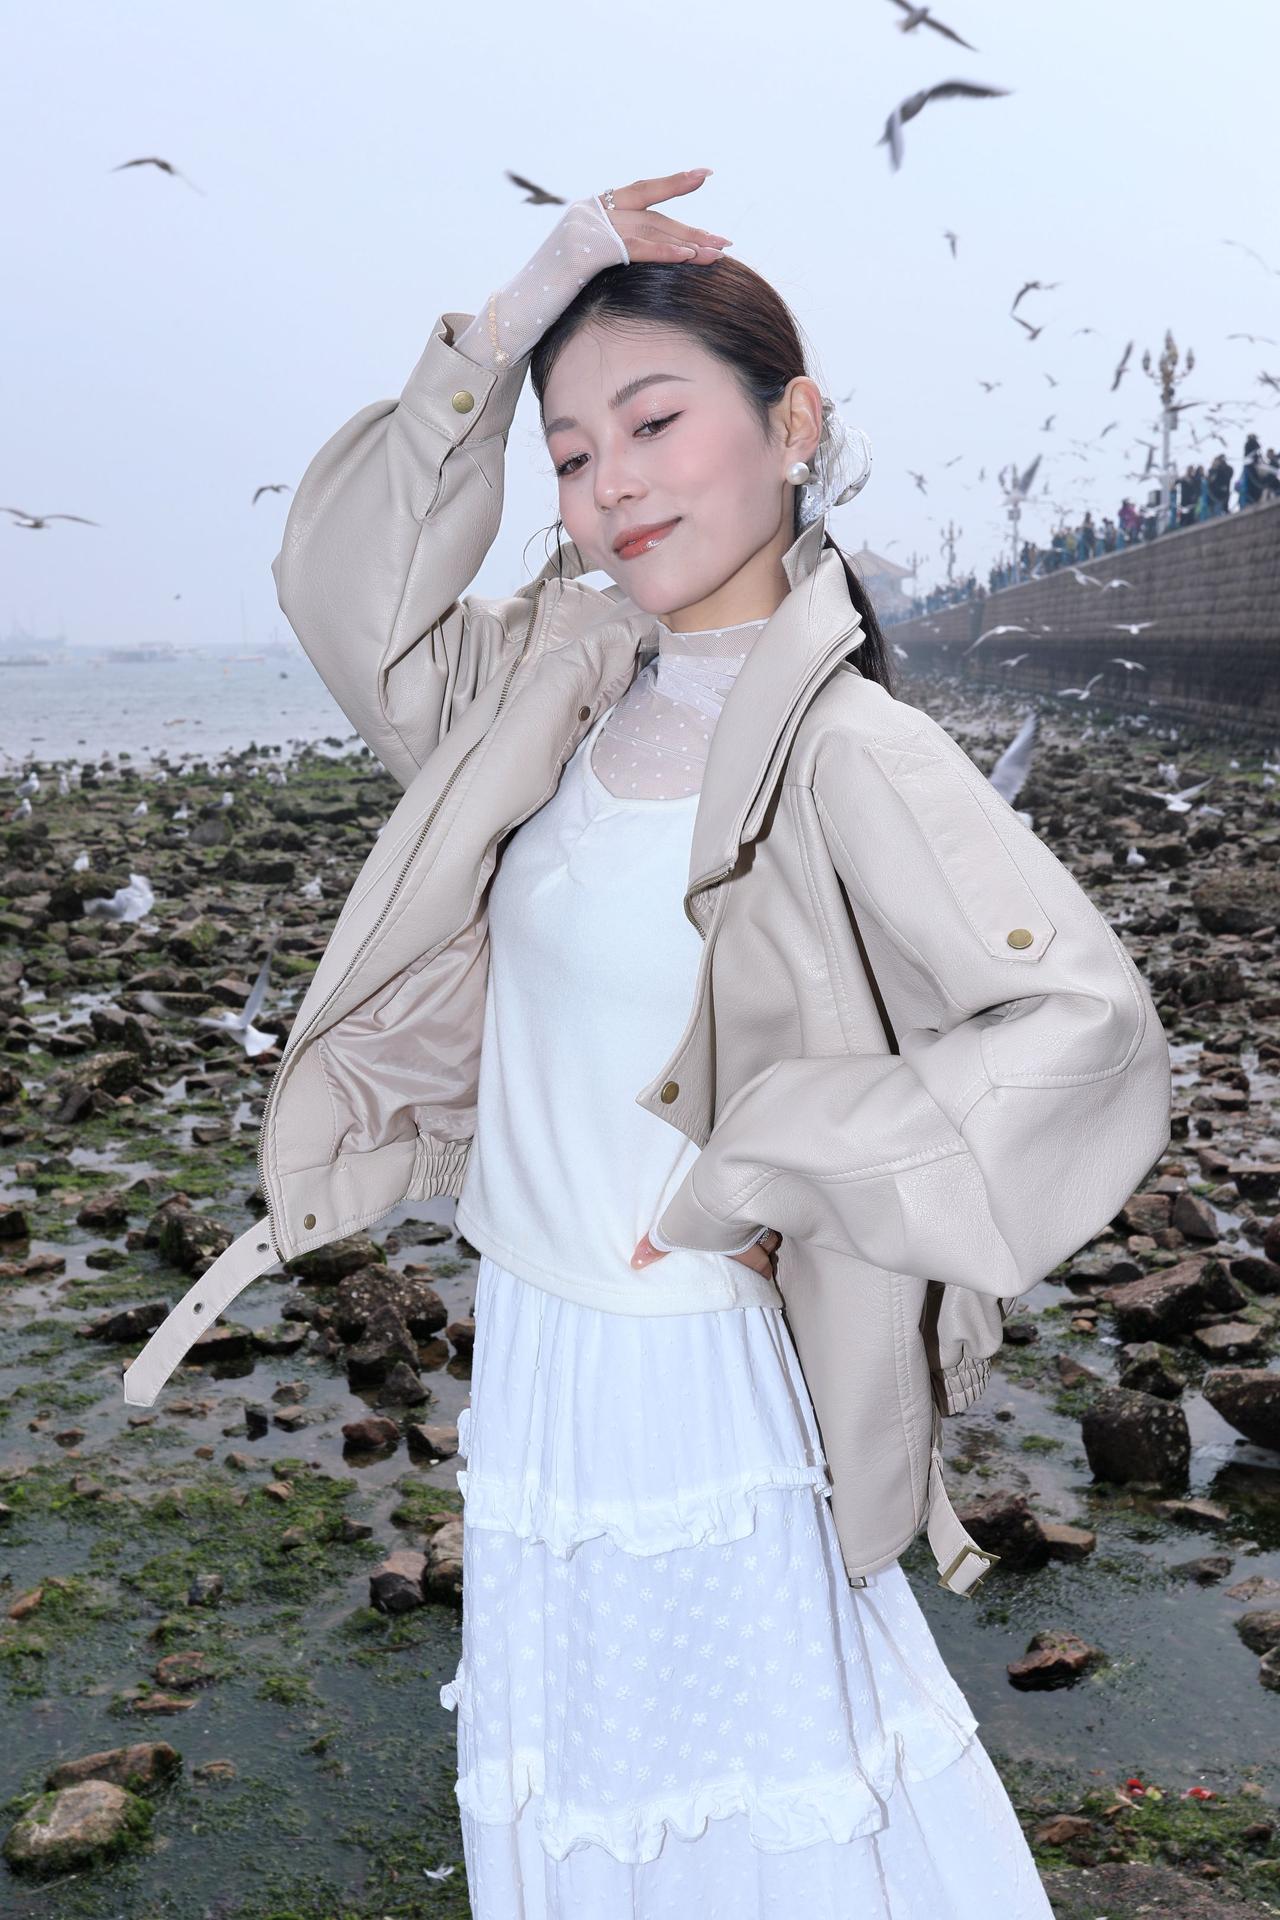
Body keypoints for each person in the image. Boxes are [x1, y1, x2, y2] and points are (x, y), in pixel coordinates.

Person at [136, 168, 1169, 1917]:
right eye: (570, 450)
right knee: (600, 1818)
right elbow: (343, 595)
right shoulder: (551, 682)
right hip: (543, 1341)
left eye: (654, 421)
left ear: (793, 427)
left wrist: (772, 1170)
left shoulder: (849, 747)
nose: (610, 480)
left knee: (748, 1829)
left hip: (693, 1365)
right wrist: (516, 311)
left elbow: (1086, 1029)